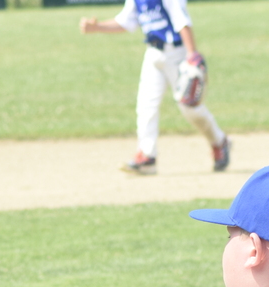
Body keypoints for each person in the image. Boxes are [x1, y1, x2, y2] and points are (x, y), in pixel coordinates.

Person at [80, 0, 232, 176]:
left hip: (176, 53)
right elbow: (125, 22)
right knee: (146, 105)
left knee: (190, 108)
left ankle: (220, 142)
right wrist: (97, 27)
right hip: (153, 53)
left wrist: (192, 55)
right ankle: (147, 156)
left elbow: (182, 21)